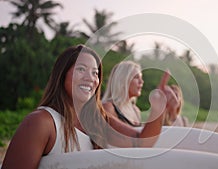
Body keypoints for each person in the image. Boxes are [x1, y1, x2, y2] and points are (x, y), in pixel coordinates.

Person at [2, 44, 167, 169]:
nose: (90, 78)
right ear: (62, 75)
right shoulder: (41, 123)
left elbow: (140, 142)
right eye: (81, 69)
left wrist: (158, 109)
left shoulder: (98, 121)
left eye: (95, 73)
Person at [102, 61, 144, 127]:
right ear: (123, 80)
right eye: (136, 77)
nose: (141, 82)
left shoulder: (136, 110)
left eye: (141, 78)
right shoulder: (109, 108)